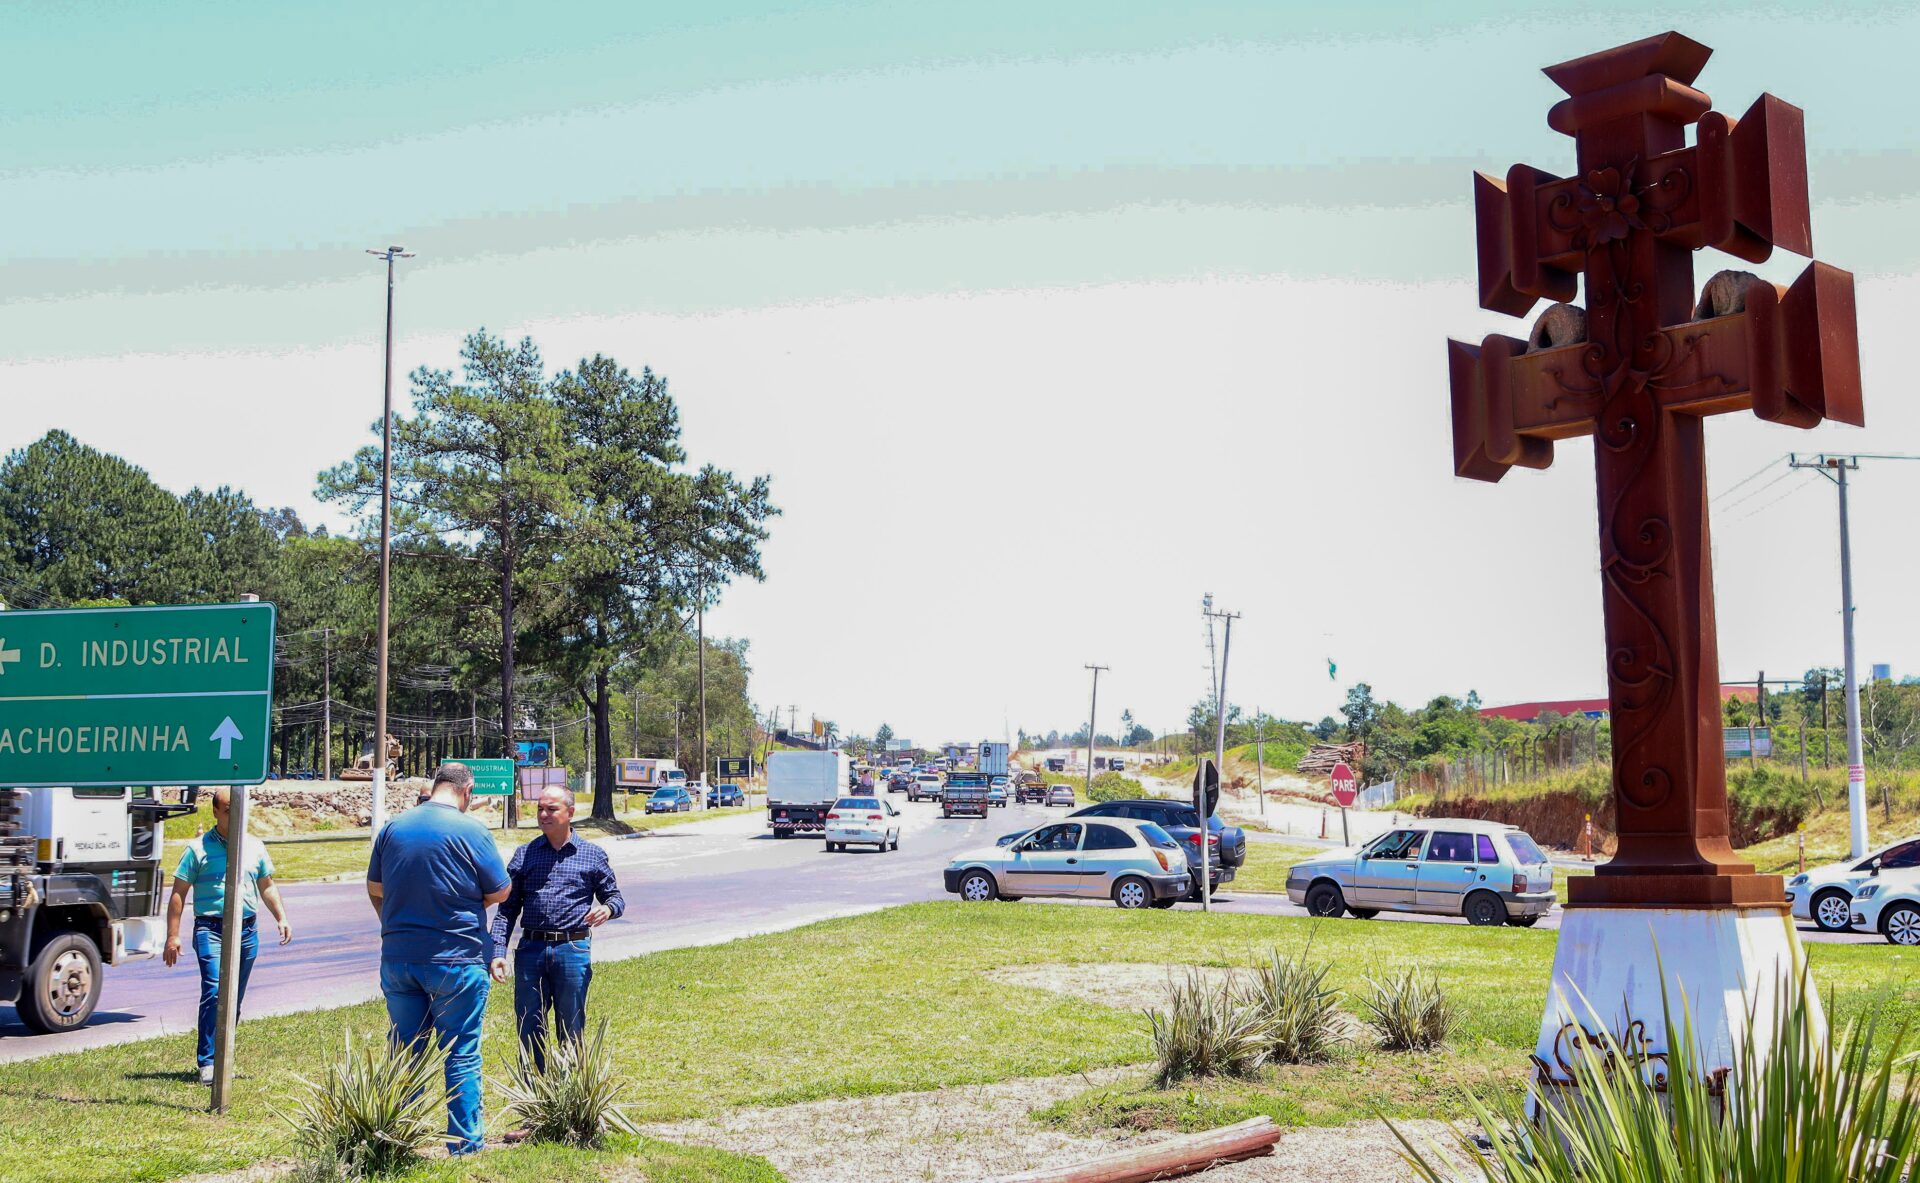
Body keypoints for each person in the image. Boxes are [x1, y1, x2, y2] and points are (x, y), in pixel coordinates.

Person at [367, 762, 511, 1156]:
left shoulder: (394, 827)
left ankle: (398, 1139)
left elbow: (375, 888)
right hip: (456, 959)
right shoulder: (472, 830)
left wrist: (392, 926)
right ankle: (464, 1145)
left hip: (398, 958)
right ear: (466, 793)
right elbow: (500, 891)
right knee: (461, 1050)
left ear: (435, 787)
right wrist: (470, 899)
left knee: (405, 1051)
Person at [163, 787, 294, 1085]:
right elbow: (178, 894)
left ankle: (224, 1056)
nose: (234, 816)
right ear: (215, 812)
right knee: (214, 991)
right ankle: (207, 1062)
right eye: (227, 810)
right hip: (210, 928)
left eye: (238, 810)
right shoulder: (197, 849)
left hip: (246, 929)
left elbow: (267, 886)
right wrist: (173, 936)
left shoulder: (254, 846)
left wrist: (281, 917)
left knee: (233, 997)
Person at [489, 787, 623, 1070]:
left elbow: (615, 898)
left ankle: (571, 1090)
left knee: (571, 1024)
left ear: (570, 813)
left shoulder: (592, 855)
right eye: (540, 809)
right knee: (529, 1025)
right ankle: (535, 1091)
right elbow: (506, 910)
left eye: (551, 809)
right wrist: (497, 951)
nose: (544, 815)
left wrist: (608, 909)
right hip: (531, 951)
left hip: (571, 950)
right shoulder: (525, 854)